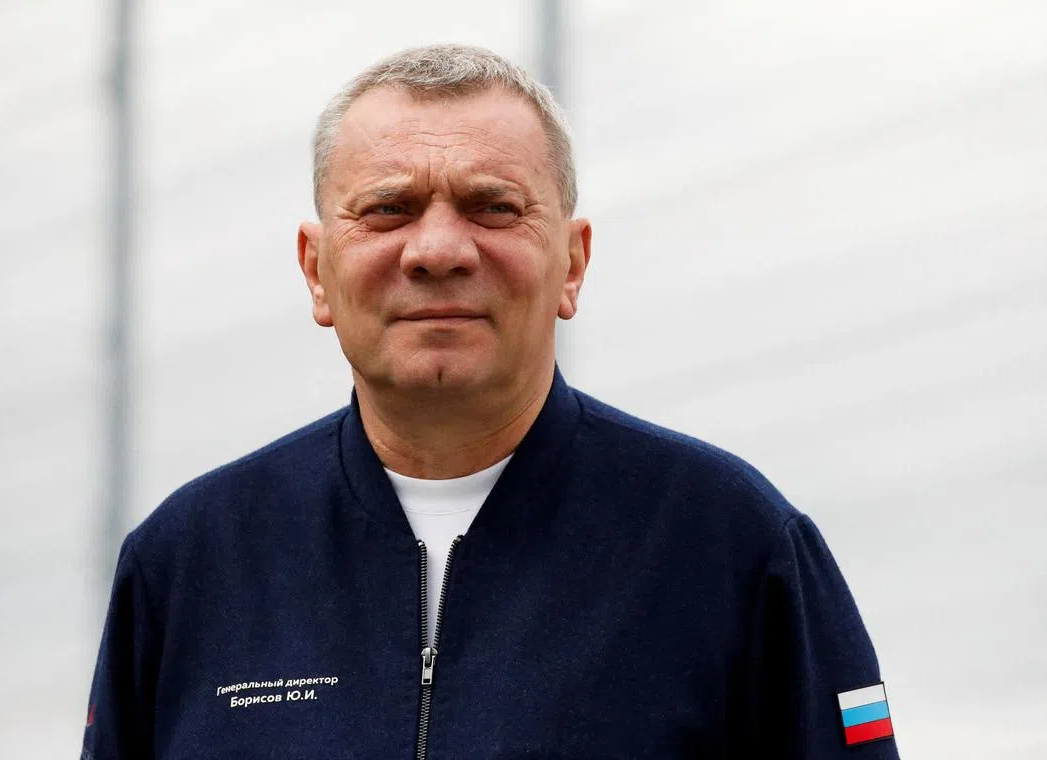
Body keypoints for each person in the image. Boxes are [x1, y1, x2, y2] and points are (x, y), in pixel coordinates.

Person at [81, 44, 900, 759]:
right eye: (388, 209)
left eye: (494, 208)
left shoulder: (734, 547)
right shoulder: (187, 567)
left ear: (572, 264)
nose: (438, 250)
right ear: (315, 269)